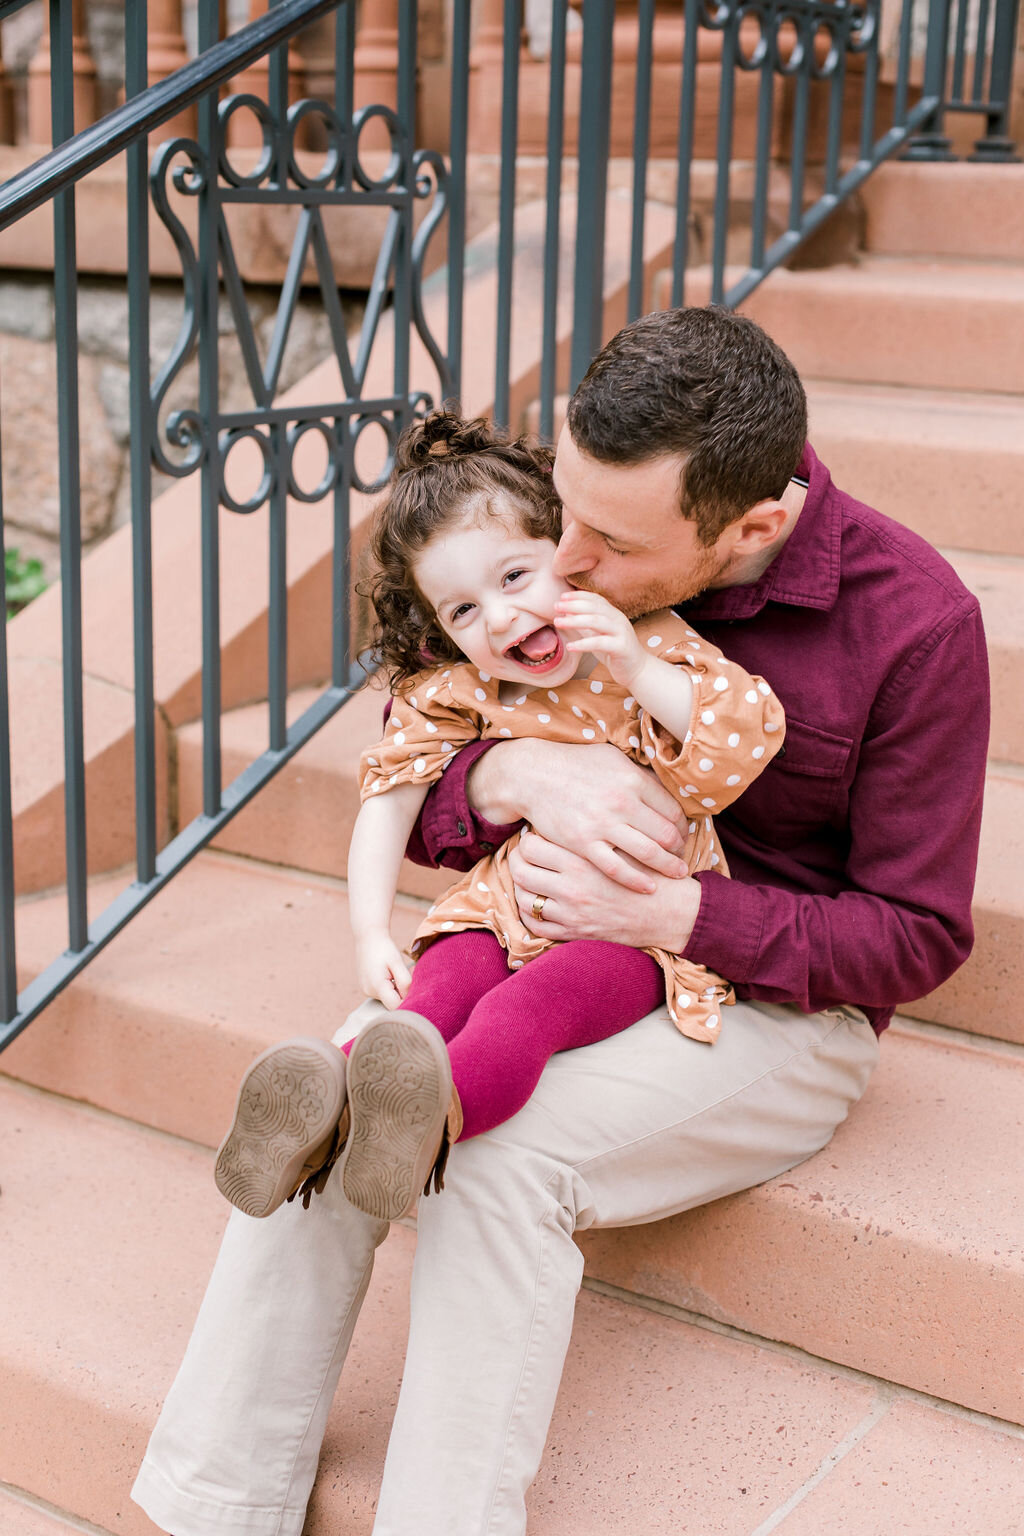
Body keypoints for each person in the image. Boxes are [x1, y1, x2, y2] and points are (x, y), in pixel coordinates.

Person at [132, 306, 988, 1536]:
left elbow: (911, 937)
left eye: (610, 541)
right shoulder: (588, 506)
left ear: (750, 526)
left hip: (766, 1001)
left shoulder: (915, 628)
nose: (567, 556)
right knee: (345, 1087)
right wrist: (507, 780)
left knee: (495, 1157)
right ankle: (211, 1501)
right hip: (535, 926)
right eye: (562, 512)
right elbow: (423, 750)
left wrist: (677, 909)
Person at [213, 410, 785, 1225]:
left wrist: (634, 661)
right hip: (501, 907)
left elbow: (741, 737)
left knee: (522, 1014)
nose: (502, 618)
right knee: (426, 1009)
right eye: (464, 612)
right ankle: (314, 1111)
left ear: (572, 553)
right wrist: (369, 933)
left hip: (627, 933)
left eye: (515, 578)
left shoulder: (648, 647)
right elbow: (388, 799)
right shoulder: (463, 691)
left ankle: (432, 1125)